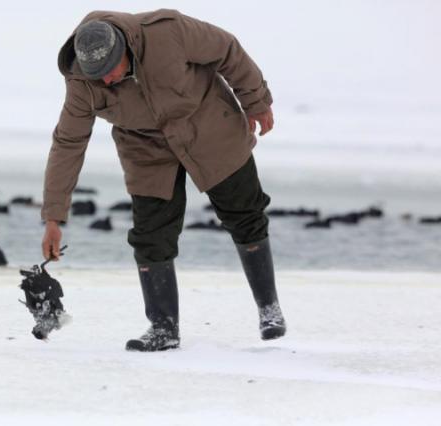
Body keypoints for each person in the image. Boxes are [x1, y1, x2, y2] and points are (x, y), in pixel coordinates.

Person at [41, 9, 286, 351]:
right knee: (150, 236)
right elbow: (68, 143)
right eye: (98, 76)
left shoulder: (167, 32)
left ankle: (269, 309)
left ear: (124, 48)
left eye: (110, 71)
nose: (107, 81)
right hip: (146, 149)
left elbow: (228, 50)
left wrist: (256, 100)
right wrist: (54, 216)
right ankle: (163, 328)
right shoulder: (82, 81)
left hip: (208, 124)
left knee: (245, 214)